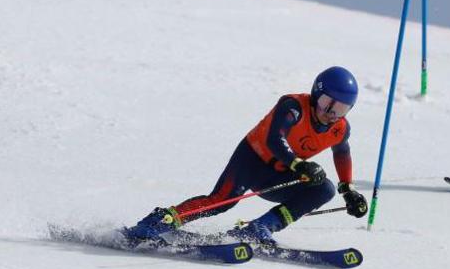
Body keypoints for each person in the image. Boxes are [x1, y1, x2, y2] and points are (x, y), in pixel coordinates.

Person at [126, 66, 368, 244]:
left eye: (340, 109)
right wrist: (299, 165)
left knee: (324, 189)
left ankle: (260, 228)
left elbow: (342, 152)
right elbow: (276, 138)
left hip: (280, 175)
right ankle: (161, 220)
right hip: (252, 159)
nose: (331, 113)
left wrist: (348, 189)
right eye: (327, 104)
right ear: (316, 94)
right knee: (222, 201)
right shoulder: (293, 107)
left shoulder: (340, 128)